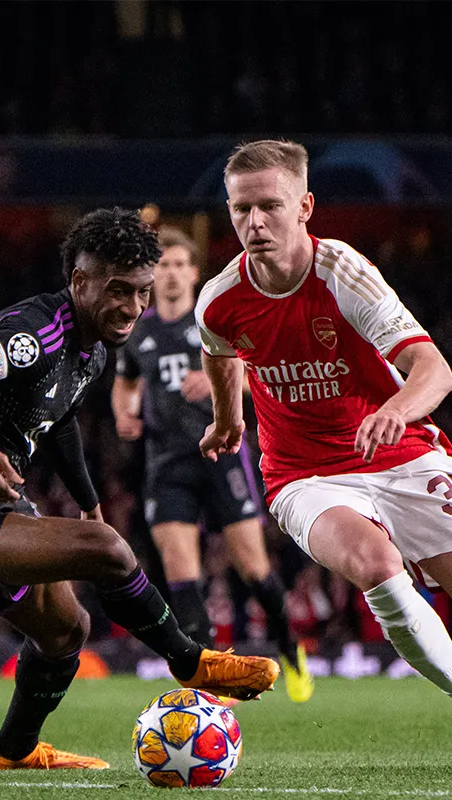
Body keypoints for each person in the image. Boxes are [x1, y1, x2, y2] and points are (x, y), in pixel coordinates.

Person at [0, 208, 279, 772]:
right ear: (79, 282)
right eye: (118, 290)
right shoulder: (35, 334)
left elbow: (60, 417)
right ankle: (191, 662)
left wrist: (89, 498)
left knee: (69, 630)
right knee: (107, 551)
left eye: (142, 292)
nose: (133, 307)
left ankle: (13, 751)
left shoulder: (93, 350)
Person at [197, 139, 452, 722]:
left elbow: (434, 369)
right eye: (241, 208)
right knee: (374, 562)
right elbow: (218, 351)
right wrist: (228, 420)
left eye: (270, 205)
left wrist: (396, 408)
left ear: (305, 208)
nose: (254, 221)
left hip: (401, 453)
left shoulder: (343, 273)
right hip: (304, 475)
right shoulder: (220, 298)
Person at [112, 226, 313, 702]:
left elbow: (254, 374)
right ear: (150, 274)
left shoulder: (213, 321)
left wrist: (218, 381)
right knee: (182, 572)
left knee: (253, 568)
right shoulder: (137, 332)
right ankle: (205, 679)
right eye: (163, 265)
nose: (172, 273)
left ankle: (290, 648)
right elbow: (125, 381)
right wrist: (124, 412)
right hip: (166, 462)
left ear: (194, 272)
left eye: (180, 264)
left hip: (222, 455)